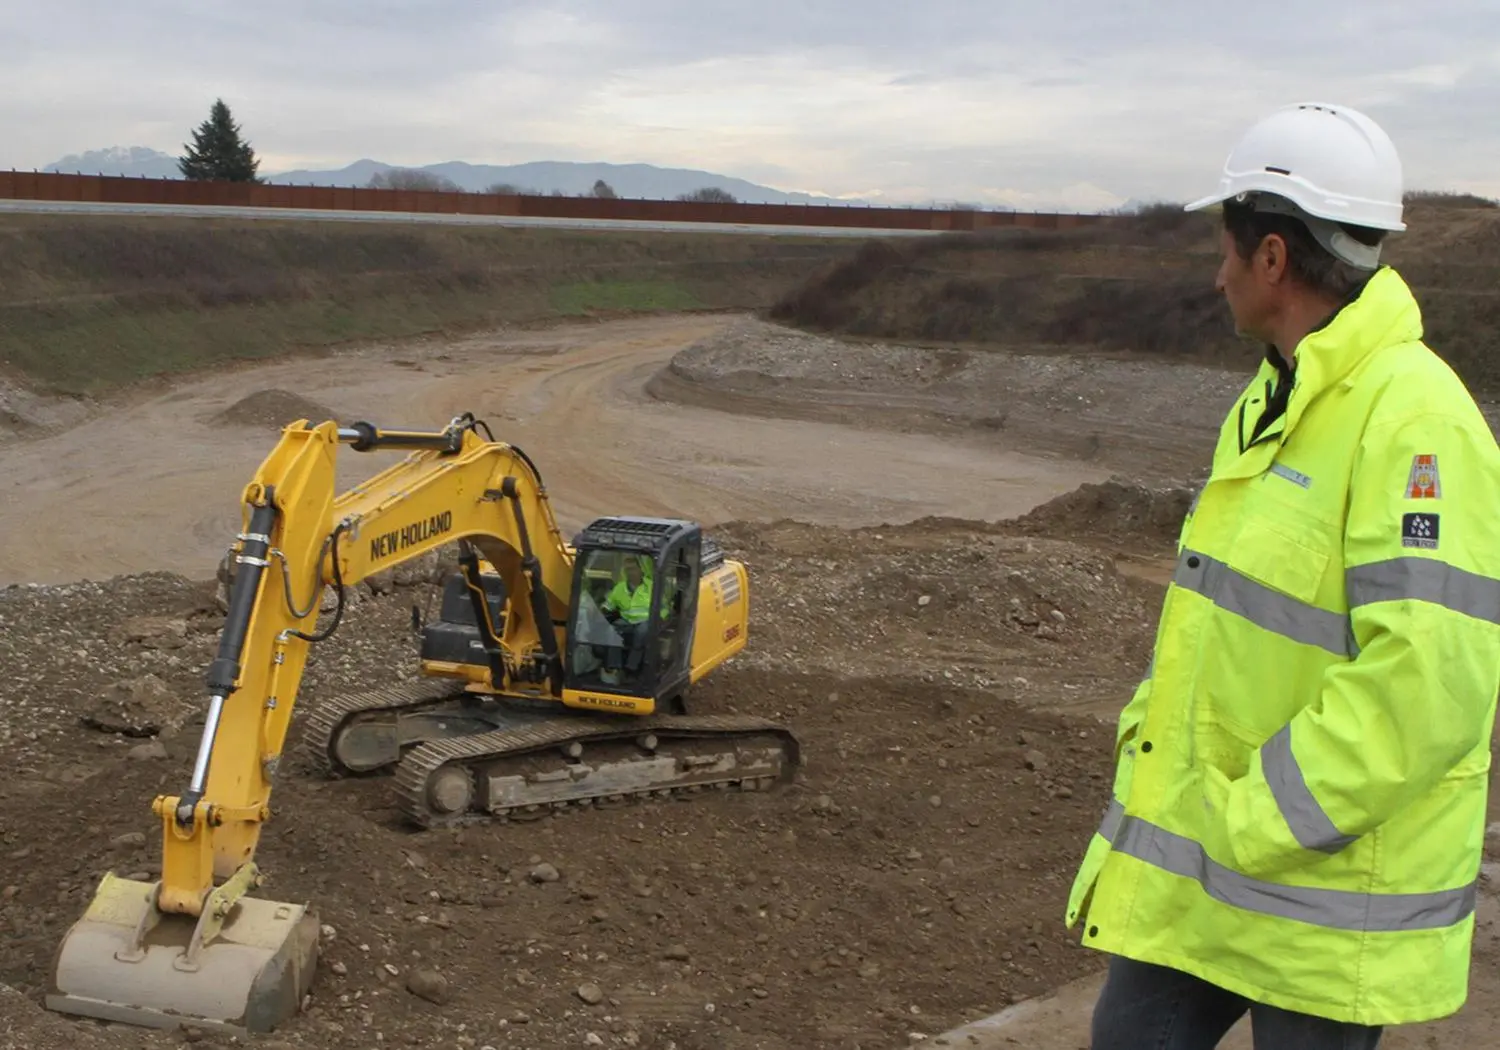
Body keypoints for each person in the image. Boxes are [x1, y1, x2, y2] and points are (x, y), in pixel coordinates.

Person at [1066, 101, 1500, 1050]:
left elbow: (1428, 687)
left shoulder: (1415, 421)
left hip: (1318, 899)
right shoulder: (1277, 395)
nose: (1216, 275)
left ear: (1271, 259)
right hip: (1206, 870)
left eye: (1226, 250)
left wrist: (1257, 818)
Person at [599, 557, 653, 684]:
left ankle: (631, 669)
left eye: (633, 569)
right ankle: (615, 667)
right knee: (612, 630)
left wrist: (660, 618)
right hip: (627, 621)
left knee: (641, 632)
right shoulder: (620, 588)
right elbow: (609, 604)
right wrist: (600, 611)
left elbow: (663, 607)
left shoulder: (651, 587)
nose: (630, 572)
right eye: (627, 569)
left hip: (647, 621)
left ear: (641, 570)